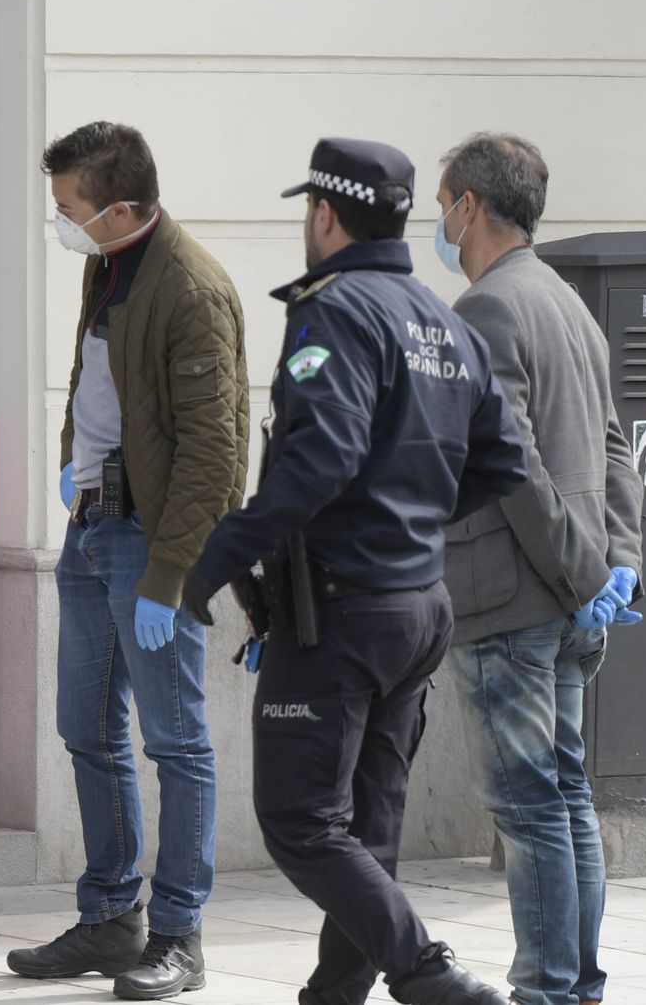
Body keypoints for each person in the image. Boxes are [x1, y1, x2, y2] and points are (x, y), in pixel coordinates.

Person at [181, 137, 528, 1005]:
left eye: (308, 211)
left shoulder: (336, 311)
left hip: (342, 614)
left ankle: (426, 971)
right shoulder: (442, 318)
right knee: (365, 829)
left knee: (301, 822)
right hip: (418, 606)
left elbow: (317, 466)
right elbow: (505, 463)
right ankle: (333, 994)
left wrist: (210, 561)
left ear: (326, 214)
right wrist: (410, 514)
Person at [5, 121, 250, 1001]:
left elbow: (214, 453)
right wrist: (76, 458)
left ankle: (179, 934)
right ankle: (112, 918)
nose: (61, 222)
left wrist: (171, 575)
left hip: (153, 543)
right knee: (85, 728)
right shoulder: (104, 262)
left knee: (175, 742)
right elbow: (96, 381)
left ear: (118, 206)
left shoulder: (190, 287)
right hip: (93, 528)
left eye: (70, 209)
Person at [434, 132, 645, 1005]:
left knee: (530, 809)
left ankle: (548, 989)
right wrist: (616, 562)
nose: (439, 222)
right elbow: (618, 450)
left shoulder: (488, 309)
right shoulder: (566, 303)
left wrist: (584, 575)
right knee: (565, 797)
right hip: (568, 599)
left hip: (518, 599)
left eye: (443, 203)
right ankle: (576, 984)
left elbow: (510, 467)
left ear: (471, 206)